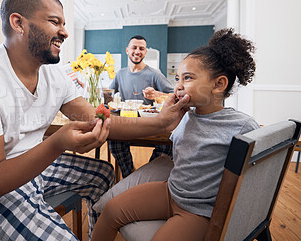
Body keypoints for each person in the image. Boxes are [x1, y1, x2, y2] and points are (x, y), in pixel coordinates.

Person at [0, 0, 190, 241]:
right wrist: (58, 143)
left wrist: (162, 121)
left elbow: (98, 119)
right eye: (55, 22)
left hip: (32, 171)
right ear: (18, 23)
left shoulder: (52, 74)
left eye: (64, 23)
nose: (65, 32)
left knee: (103, 174)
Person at [91, 28, 260, 241]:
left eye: (187, 78)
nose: (178, 86)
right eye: (178, 78)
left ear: (219, 84)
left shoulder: (242, 126)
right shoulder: (186, 116)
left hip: (198, 210)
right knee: (111, 210)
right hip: (171, 191)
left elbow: (255, 179)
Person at [108, 35, 174, 178]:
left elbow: (173, 95)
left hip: (149, 122)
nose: (137, 51)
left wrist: (156, 94)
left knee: (167, 144)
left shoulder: (155, 74)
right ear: (127, 50)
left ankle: (146, 175)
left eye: (141, 48)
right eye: (134, 47)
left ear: (145, 52)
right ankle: (129, 174)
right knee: (113, 140)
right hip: (127, 121)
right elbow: (109, 96)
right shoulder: (120, 74)